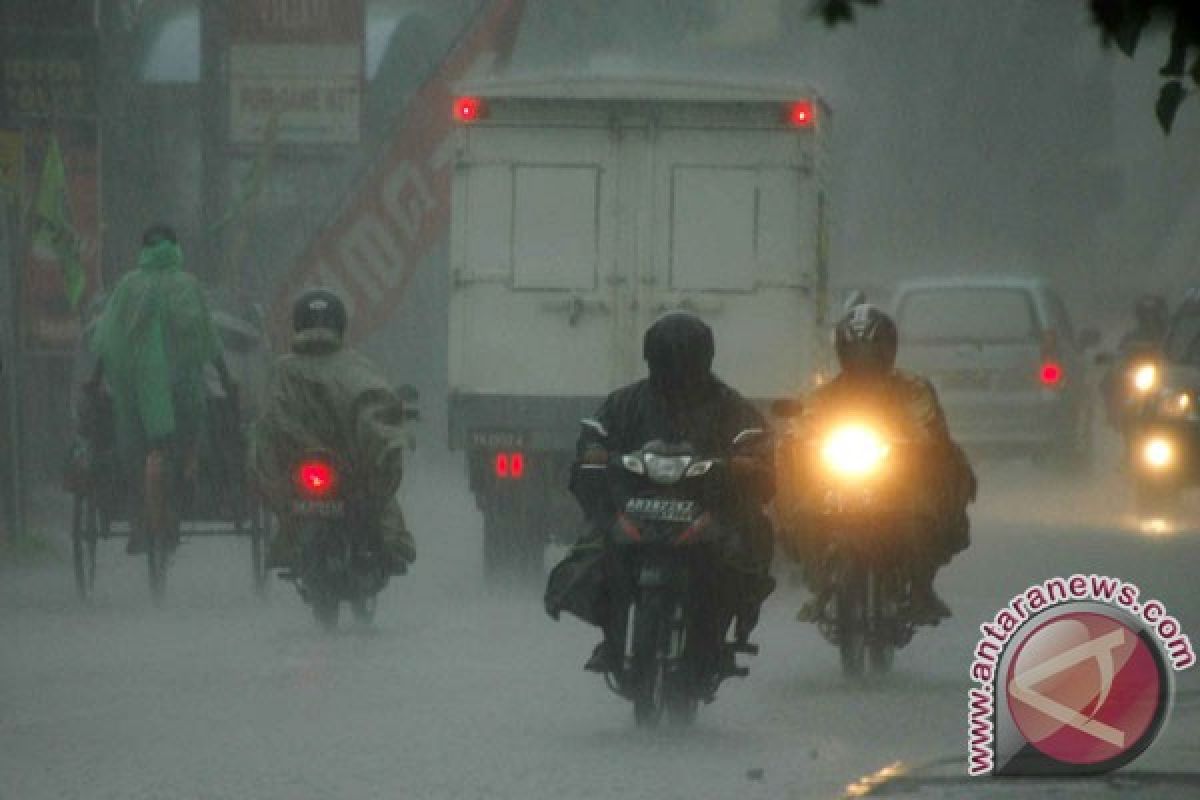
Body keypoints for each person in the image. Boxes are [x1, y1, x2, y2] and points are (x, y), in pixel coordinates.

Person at [545, 311, 775, 674]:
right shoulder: (626, 403)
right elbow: (594, 439)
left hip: (706, 512)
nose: (677, 371)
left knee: (751, 544)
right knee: (595, 552)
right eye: (668, 361)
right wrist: (595, 456)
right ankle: (612, 633)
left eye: (685, 361)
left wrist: (745, 463)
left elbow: (757, 448)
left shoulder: (731, 407)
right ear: (652, 360)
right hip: (635, 510)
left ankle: (727, 629)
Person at [788, 304, 975, 625]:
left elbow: (930, 428)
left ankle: (920, 589)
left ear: (888, 350)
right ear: (842, 351)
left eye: (872, 350)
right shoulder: (824, 394)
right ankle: (819, 586)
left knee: (922, 516)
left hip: (901, 481)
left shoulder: (913, 388)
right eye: (855, 350)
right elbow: (803, 427)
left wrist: (915, 446)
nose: (863, 359)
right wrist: (798, 441)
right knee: (802, 513)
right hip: (838, 480)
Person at [86, 223, 234, 554]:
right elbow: (210, 340)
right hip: (182, 389)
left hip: (134, 391)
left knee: (134, 454)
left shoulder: (127, 285)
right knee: (187, 441)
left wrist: (96, 381)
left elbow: (108, 340)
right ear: (175, 248)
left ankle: (140, 521)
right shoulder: (188, 285)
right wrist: (225, 378)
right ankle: (181, 490)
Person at [249, 288, 414, 576]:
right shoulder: (356, 366)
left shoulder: (281, 371)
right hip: (346, 469)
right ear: (339, 325)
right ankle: (391, 546)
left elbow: (267, 426)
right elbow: (378, 411)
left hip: (298, 469)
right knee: (381, 505)